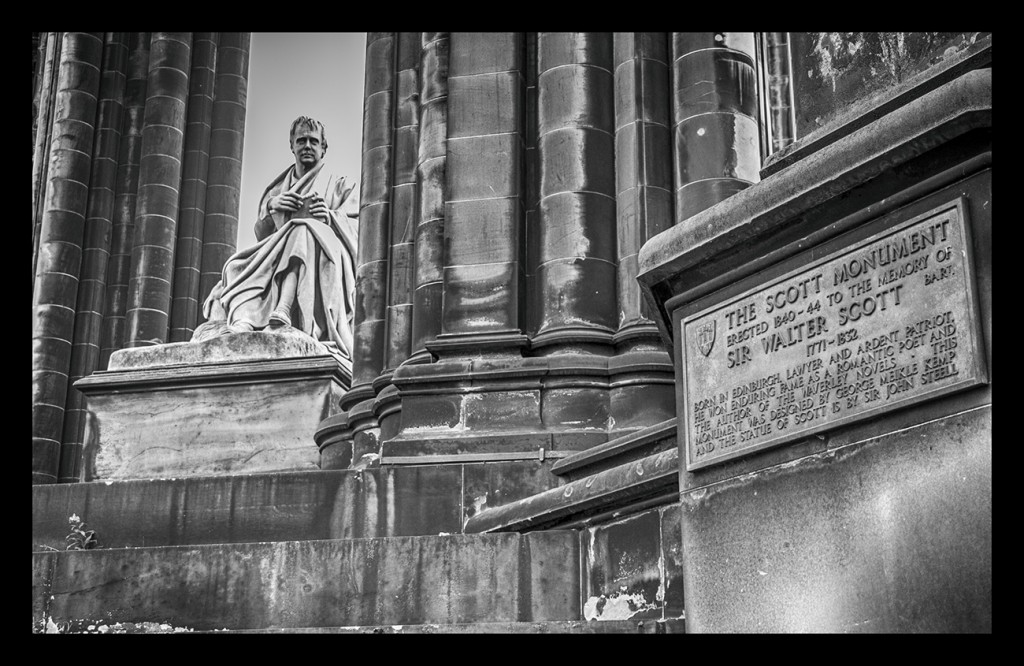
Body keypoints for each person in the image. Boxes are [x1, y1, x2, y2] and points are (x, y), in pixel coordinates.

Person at [198, 116, 358, 363]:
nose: (307, 145)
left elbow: (359, 229)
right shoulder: (277, 190)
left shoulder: (339, 186)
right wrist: (273, 207)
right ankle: (245, 319)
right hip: (276, 251)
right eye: (301, 140)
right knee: (233, 266)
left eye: (313, 141)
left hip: (320, 256)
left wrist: (330, 218)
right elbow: (262, 236)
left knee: (302, 230)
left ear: (323, 148)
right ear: (291, 145)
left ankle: (283, 308)